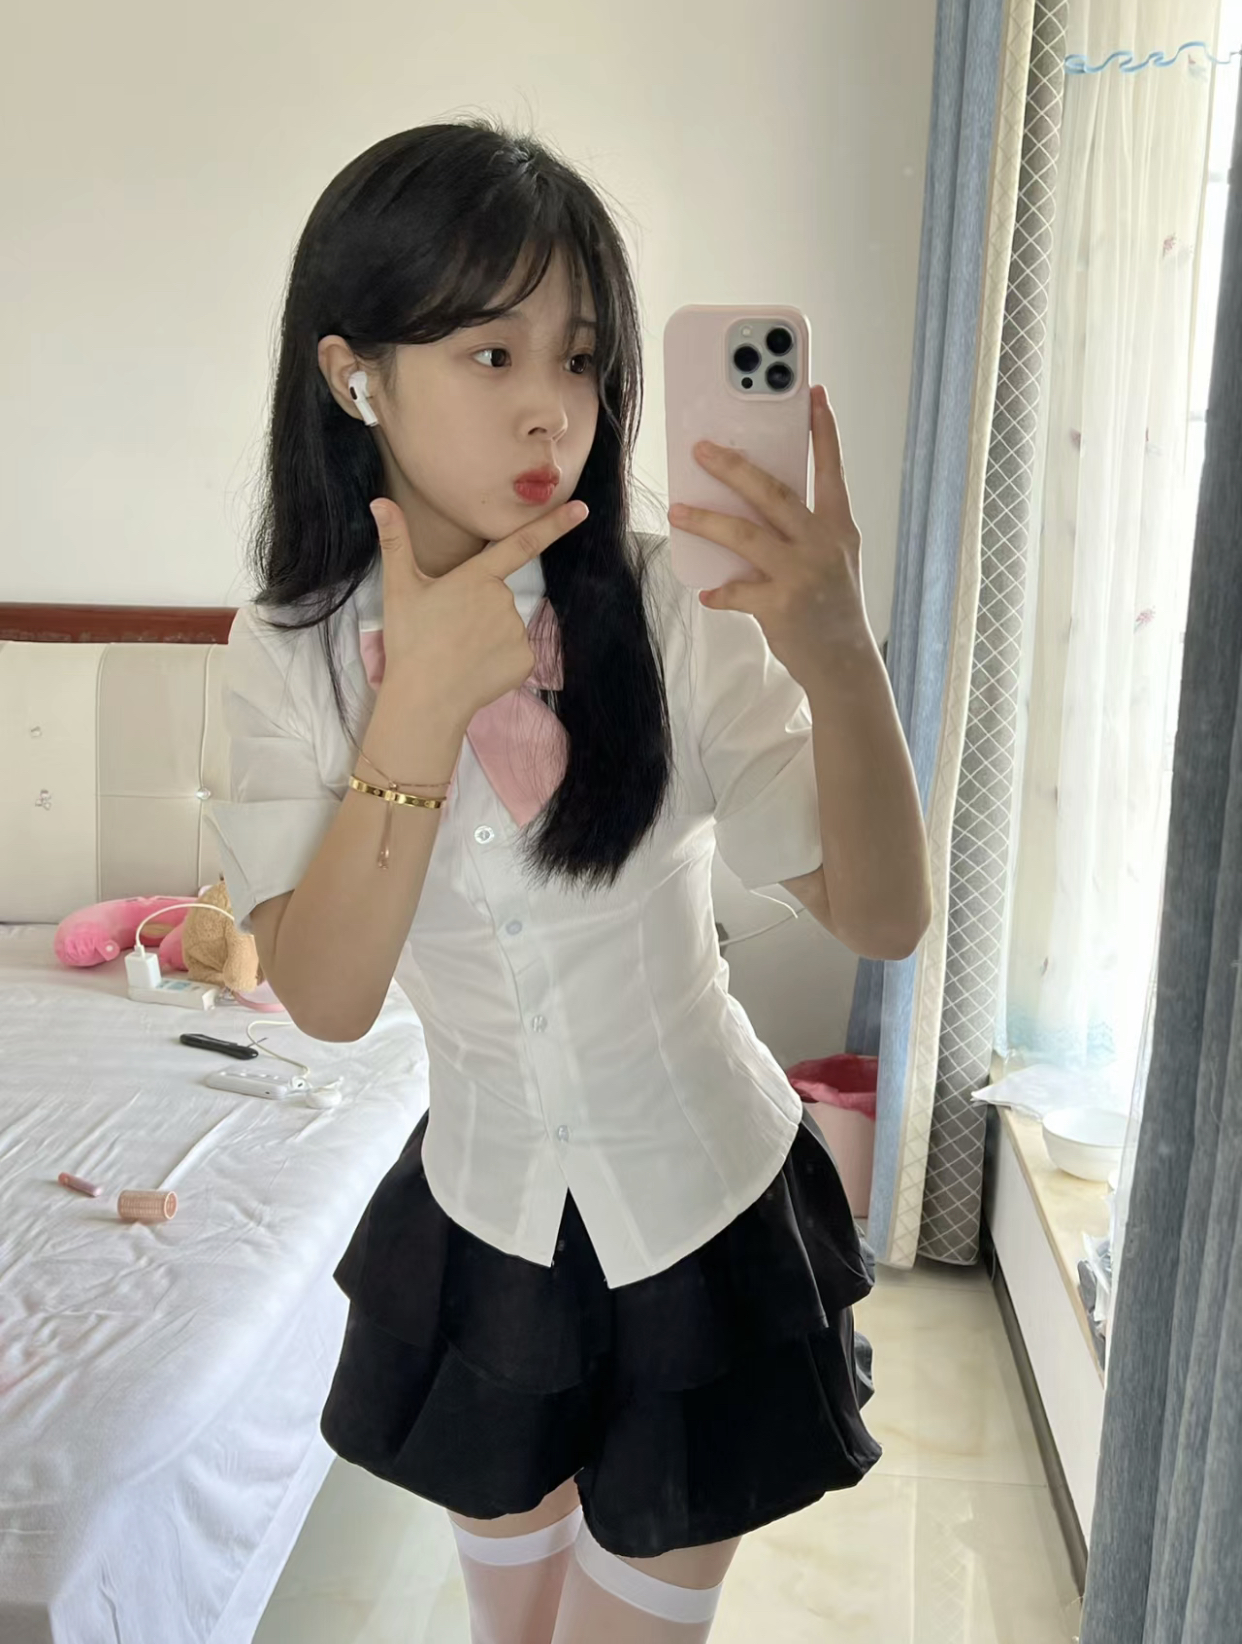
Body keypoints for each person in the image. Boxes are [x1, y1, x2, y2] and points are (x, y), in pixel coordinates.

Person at [208, 118, 931, 1644]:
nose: (552, 405)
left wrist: (836, 651)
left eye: (583, 358)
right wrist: (415, 711)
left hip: (706, 1216)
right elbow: (325, 1001)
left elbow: (881, 917)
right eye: (490, 353)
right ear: (353, 375)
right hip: (488, 1232)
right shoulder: (285, 652)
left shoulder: (678, 607)